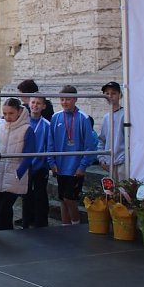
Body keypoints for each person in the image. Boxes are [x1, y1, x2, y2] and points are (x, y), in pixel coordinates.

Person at [47, 85, 96, 225]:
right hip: (60, 166)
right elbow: (50, 142)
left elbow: (89, 145)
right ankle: (65, 226)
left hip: (75, 167)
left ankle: (75, 224)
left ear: (75, 99)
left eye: (68, 99)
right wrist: (51, 162)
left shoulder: (83, 118)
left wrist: (82, 166)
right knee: (62, 198)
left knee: (69, 198)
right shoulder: (55, 117)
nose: (64, 102)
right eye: (62, 99)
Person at [0, 98, 34, 231]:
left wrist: (18, 174)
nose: (7, 117)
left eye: (11, 113)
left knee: (4, 209)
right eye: (5, 113)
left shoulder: (27, 129)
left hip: (14, 175)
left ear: (19, 111)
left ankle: (3, 232)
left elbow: (29, 155)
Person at [22, 97, 51, 228]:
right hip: (25, 166)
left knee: (40, 195)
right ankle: (26, 222)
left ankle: (41, 223)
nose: (35, 105)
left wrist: (47, 164)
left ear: (43, 106)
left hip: (40, 166)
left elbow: (49, 145)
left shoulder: (46, 125)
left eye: (38, 103)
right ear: (29, 104)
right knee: (26, 195)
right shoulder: (23, 123)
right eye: (33, 102)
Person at [97, 81, 125, 172]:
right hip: (108, 164)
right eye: (107, 94)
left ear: (119, 95)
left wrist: (124, 158)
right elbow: (102, 140)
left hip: (122, 163)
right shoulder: (106, 117)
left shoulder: (125, 115)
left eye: (113, 93)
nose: (110, 96)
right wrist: (101, 159)